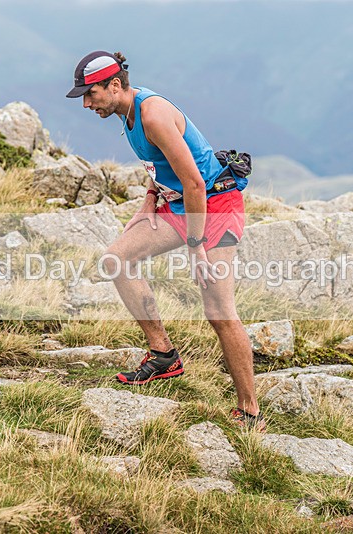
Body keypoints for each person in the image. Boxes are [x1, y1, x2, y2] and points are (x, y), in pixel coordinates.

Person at [66, 50, 264, 431]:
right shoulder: (126, 113)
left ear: (116, 85)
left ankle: (250, 411)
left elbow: (194, 181)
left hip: (214, 202)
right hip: (180, 203)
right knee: (116, 260)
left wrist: (196, 247)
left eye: (91, 94)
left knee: (218, 311)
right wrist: (149, 201)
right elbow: (160, 166)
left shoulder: (152, 115)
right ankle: (163, 355)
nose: (87, 103)